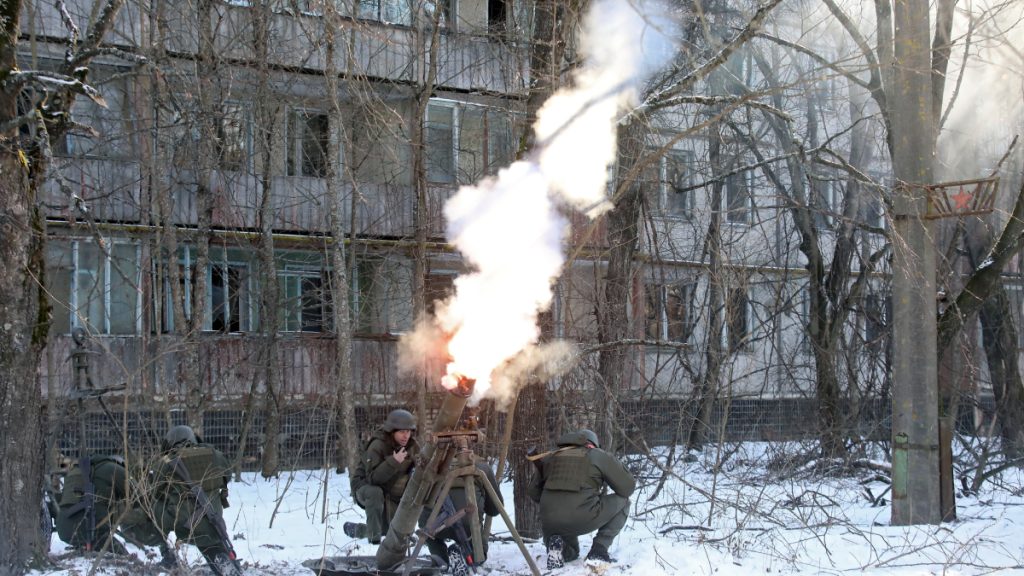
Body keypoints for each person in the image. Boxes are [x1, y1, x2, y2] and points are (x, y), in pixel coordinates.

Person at [528, 428, 636, 569]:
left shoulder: (551, 457)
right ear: (592, 444)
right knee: (624, 502)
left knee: (571, 554)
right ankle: (599, 551)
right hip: (581, 516)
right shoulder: (596, 455)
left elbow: (533, 493)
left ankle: (557, 546)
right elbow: (627, 488)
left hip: (550, 523)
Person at [149, 425, 242, 576]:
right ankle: (225, 563)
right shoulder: (215, 455)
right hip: (214, 519)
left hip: (185, 524)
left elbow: (154, 492)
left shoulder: (166, 463)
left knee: (151, 507)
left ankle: (165, 551)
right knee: (210, 539)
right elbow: (228, 476)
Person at [55, 454, 175, 566]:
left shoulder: (77, 471)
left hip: (64, 531)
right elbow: (140, 499)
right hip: (92, 531)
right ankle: (165, 553)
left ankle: (83, 546)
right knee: (126, 560)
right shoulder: (115, 469)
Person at [344, 408, 420, 544]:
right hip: (366, 488)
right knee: (375, 492)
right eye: (402, 432)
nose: (406, 436)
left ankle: (358, 530)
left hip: (391, 492)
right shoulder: (378, 445)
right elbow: (373, 479)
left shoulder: (412, 447)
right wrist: (393, 462)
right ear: (392, 431)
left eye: (408, 432)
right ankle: (374, 538)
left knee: (389, 531)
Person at [418, 461, 503, 576]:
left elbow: (416, 501)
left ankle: (441, 560)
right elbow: (495, 509)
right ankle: (471, 557)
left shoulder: (431, 464)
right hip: (468, 525)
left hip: (434, 526)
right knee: (477, 539)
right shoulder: (482, 467)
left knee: (426, 526)